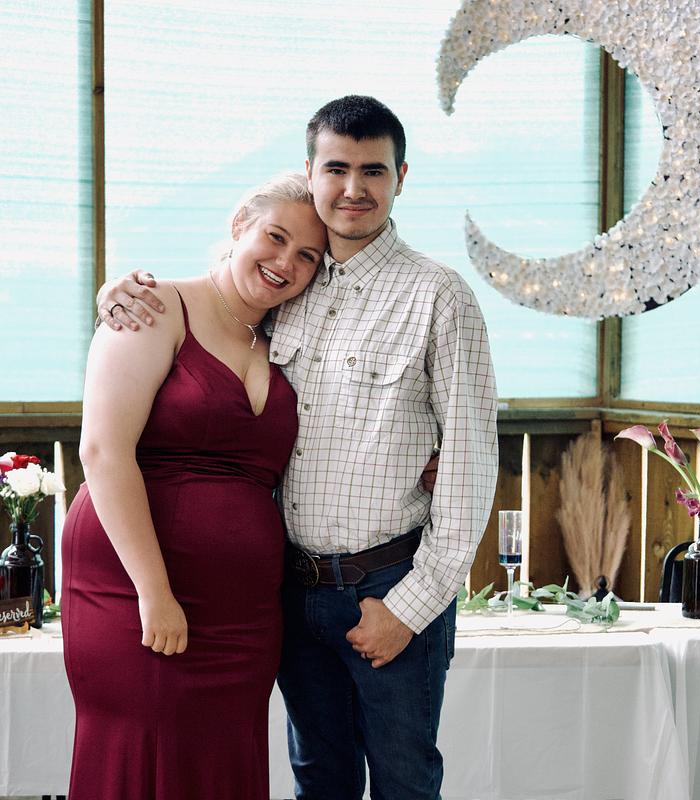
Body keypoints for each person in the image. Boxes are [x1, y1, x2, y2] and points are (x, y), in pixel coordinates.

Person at [98, 95, 499, 800]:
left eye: (373, 171)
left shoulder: (440, 296)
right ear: (310, 173)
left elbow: (470, 465)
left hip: (388, 586)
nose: (353, 188)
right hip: (288, 591)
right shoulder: (290, 290)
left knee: (406, 782)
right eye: (336, 168)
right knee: (318, 779)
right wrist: (117, 292)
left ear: (401, 177)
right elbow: (208, 313)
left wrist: (408, 608)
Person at [61, 173, 327, 800]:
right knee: (144, 751)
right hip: (135, 590)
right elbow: (102, 451)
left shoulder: (290, 337)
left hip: (245, 614)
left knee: (224, 756)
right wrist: (154, 592)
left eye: (307, 256)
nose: (285, 262)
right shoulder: (153, 306)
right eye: (275, 237)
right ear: (239, 225)